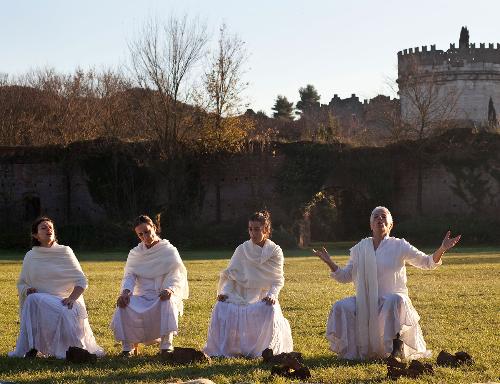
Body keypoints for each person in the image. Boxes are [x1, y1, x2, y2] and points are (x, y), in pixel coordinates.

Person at [314, 206, 461, 361]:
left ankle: (395, 351)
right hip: (366, 303)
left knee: (395, 299)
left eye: (383, 217)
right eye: (376, 217)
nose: (379, 219)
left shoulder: (400, 245)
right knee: (341, 306)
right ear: (371, 225)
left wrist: (442, 248)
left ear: (391, 224)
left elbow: (427, 262)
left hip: (391, 302)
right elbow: (344, 276)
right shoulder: (360, 249)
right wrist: (330, 262)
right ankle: (352, 352)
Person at [9, 217, 104, 359]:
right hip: (40, 301)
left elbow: (82, 281)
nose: (48, 229)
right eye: (43, 228)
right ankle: (32, 347)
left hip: (64, 301)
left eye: (50, 227)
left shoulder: (65, 251)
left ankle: (74, 352)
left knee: (46, 305)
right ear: (36, 235)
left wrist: (72, 298)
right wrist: (27, 290)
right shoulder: (30, 256)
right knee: (32, 299)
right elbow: (22, 283)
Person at [204, 210, 293, 357]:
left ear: (266, 229)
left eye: (257, 229)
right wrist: (224, 293)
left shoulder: (275, 251)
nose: (253, 233)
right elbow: (231, 276)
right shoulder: (242, 249)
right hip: (240, 294)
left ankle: (262, 350)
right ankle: (226, 348)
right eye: (250, 229)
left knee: (270, 309)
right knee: (221, 306)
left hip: (262, 296)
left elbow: (277, 280)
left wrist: (272, 295)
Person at [111, 215, 188, 356]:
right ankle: (127, 348)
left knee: (168, 301)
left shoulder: (169, 250)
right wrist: (126, 292)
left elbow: (176, 274)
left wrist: (169, 289)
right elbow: (130, 276)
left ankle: (166, 346)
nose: (145, 236)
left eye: (147, 231)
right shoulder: (135, 253)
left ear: (154, 228)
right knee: (123, 304)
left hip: (161, 294)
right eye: (140, 234)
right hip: (142, 296)